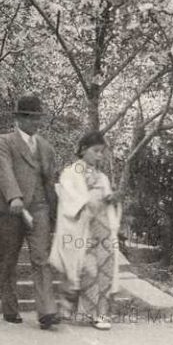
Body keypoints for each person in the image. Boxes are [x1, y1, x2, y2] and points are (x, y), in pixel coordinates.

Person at [0, 95, 59, 330]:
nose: (33, 122)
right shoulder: (4, 142)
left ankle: (47, 311)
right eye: (28, 117)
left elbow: (50, 182)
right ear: (18, 118)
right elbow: (4, 171)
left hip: (39, 208)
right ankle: (10, 308)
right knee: (8, 259)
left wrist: (54, 212)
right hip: (10, 210)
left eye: (36, 118)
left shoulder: (46, 148)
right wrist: (14, 196)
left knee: (41, 258)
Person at [50, 131, 121, 330]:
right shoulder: (70, 173)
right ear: (83, 150)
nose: (100, 156)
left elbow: (107, 198)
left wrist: (111, 199)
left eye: (102, 152)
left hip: (103, 226)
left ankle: (102, 314)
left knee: (105, 268)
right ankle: (85, 312)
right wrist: (86, 201)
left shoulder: (103, 177)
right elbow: (69, 199)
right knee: (88, 269)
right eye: (96, 151)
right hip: (82, 226)